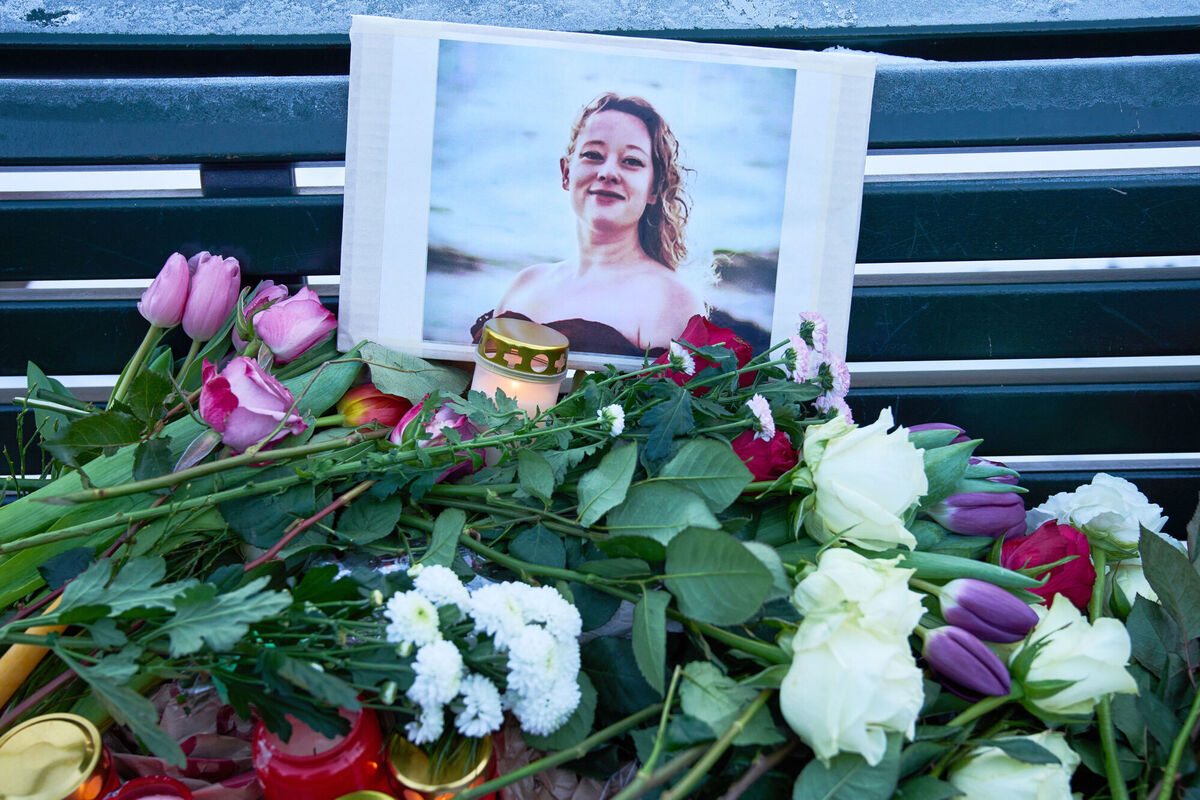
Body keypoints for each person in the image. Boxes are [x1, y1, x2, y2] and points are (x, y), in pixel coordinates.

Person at [474, 93, 705, 356]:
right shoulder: (524, 285)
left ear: (654, 188)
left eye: (631, 161)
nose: (607, 173)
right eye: (593, 155)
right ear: (566, 173)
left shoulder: (673, 300)